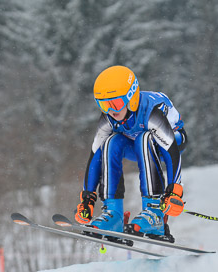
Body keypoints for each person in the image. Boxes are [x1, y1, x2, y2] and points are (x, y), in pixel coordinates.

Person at [74, 65, 187, 238]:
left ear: (130, 97)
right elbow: (95, 154)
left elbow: (171, 151)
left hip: (172, 141)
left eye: (116, 103)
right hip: (137, 146)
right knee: (111, 142)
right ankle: (114, 214)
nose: (111, 110)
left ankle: (154, 213)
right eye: (104, 105)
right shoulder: (109, 118)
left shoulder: (150, 111)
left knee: (144, 138)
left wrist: (174, 190)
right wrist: (88, 197)